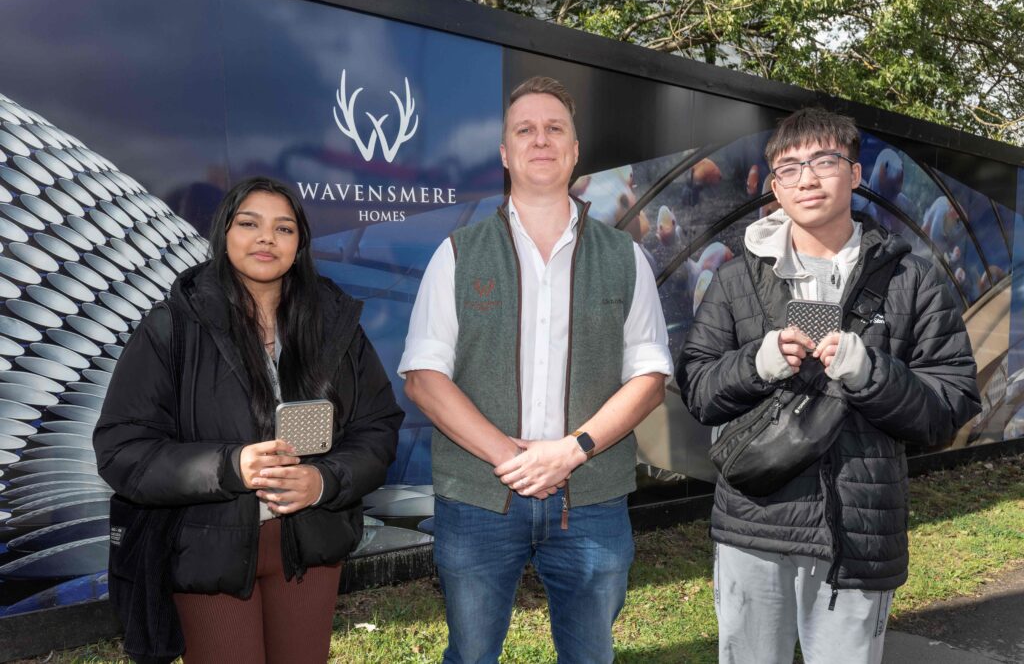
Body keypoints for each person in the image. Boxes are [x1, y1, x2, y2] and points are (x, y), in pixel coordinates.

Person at [678, 108, 980, 664]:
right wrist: (760, 362)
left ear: (857, 174)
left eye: (825, 161)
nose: (808, 178)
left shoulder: (910, 280)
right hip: (754, 525)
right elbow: (698, 387)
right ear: (774, 186)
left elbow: (949, 404)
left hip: (858, 533)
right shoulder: (737, 277)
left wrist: (871, 373)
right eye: (790, 168)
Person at [399, 76, 672, 664]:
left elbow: (650, 377)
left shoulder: (624, 257)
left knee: (590, 655)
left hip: (591, 498)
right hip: (479, 499)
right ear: (505, 153)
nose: (540, 139)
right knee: (470, 655)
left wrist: (570, 451)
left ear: (575, 152)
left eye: (555, 129)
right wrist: (513, 458)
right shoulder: (457, 253)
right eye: (525, 129)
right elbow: (423, 376)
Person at [94, 176, 403, 664]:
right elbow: (121, 448)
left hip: (311, 543)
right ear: (224, 233)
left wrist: (322, 481)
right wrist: (231, 466)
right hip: (208, 549)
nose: (266, 238)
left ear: (299, 245)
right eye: (249, 224)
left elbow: (378, 427)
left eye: (283, 228)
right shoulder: (173, 324)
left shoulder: (332, 323)